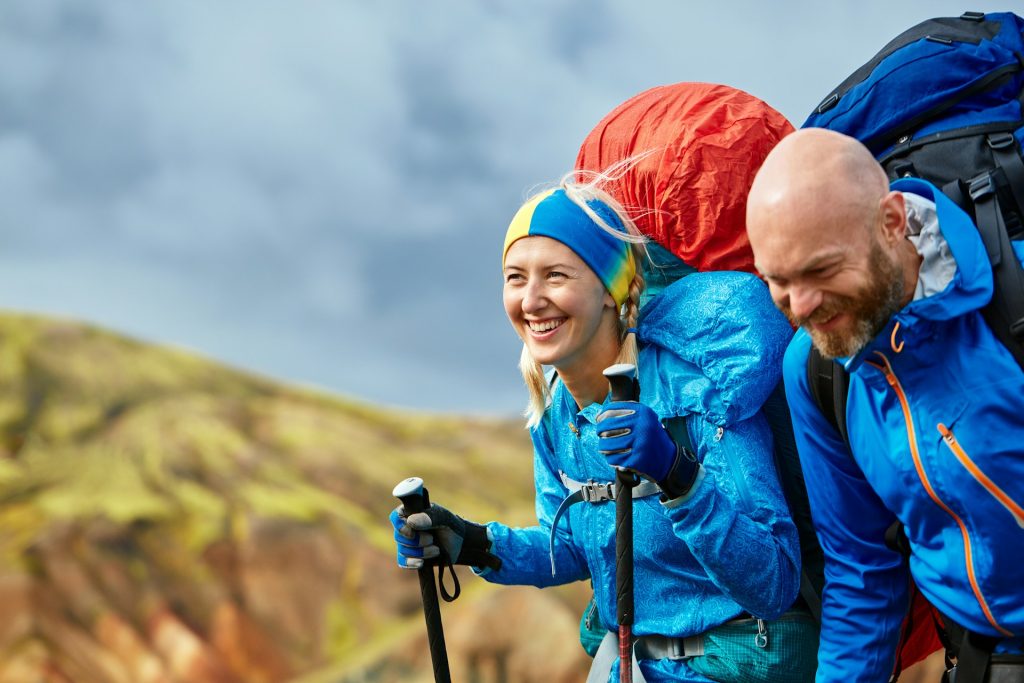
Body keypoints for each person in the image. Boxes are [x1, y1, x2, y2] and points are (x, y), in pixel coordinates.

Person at [392, 171, 819, 682]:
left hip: (740, 663)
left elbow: (773, 580)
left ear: (611, 291)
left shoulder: (697, 394)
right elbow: (573, 546)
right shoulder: (555, 418)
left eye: (556, 275)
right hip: (635, 667)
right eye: (515, 277)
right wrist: (473, 543)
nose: (530, 300)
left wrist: (676, 474)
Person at [745, 128, 1024, 682]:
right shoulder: (816, 371)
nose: (800, 307)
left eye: (822, 271)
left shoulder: (1013, 288)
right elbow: (861, 574)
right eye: (778, 281)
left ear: (893, 222)